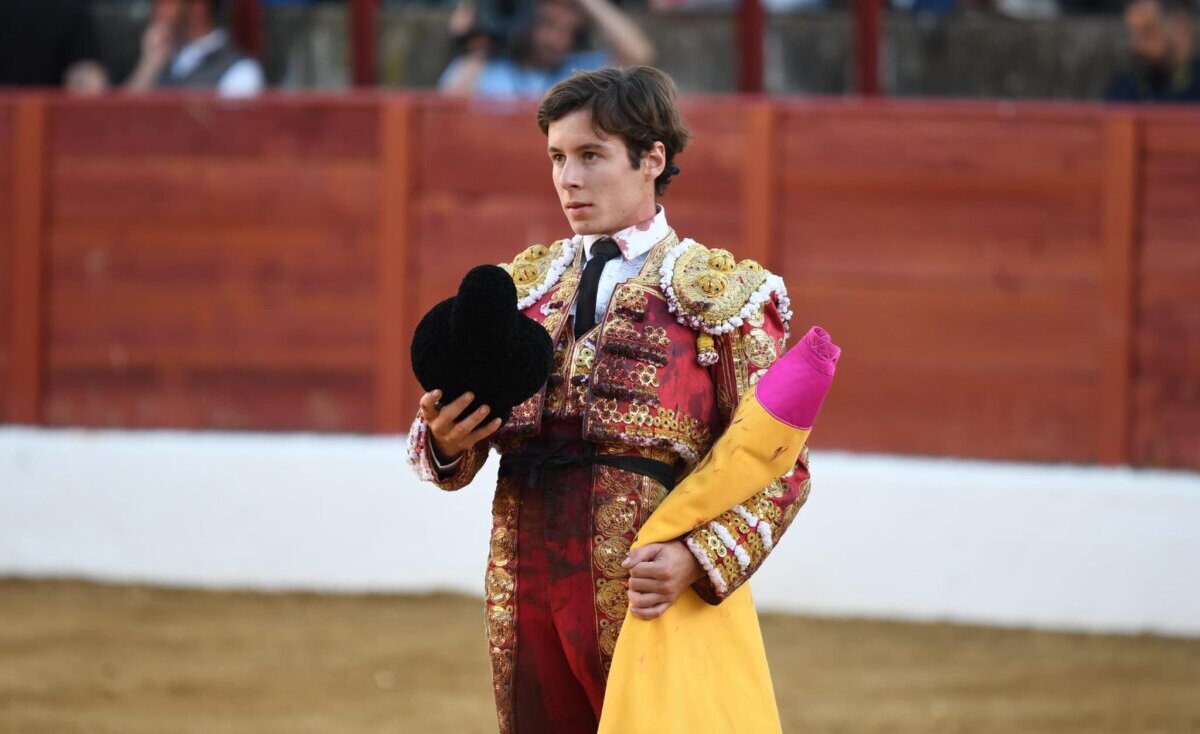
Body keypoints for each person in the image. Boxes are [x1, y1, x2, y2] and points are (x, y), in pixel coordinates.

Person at [407, 66, 823, 732]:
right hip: (526, 590)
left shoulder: (726, 298)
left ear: (652, 159)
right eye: (557, 158)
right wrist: (445, 442)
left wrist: (697, 558)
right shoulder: (524, 290)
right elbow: (449, 439)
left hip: (651, 596)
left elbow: (781, 470)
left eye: (591, 156)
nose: (569, 179)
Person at [438, 0, 655, 99]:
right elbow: (448, 109)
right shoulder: (484, 65)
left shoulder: (584, 72)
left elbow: (640, 55)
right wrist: (479, 36)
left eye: (568, 31)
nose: (556, 40)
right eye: (547, 24)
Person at [126, 0, 264, 97]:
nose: (158, 14)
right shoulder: (162, 59)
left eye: (167, 3)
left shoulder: (240, 71)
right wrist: (148, 66)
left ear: (198, 6)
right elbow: (122, 120)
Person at [0, 0, 107, 93]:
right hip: (50, 111)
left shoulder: (72, 8)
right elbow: (87, 83)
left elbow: (85, 75)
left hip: (52, 110)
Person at [1106, 0, 1200, 102]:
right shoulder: (1124, 89)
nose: (1138, 47)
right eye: (1133, 35)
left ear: (1181, 26)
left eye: (1148, 32)